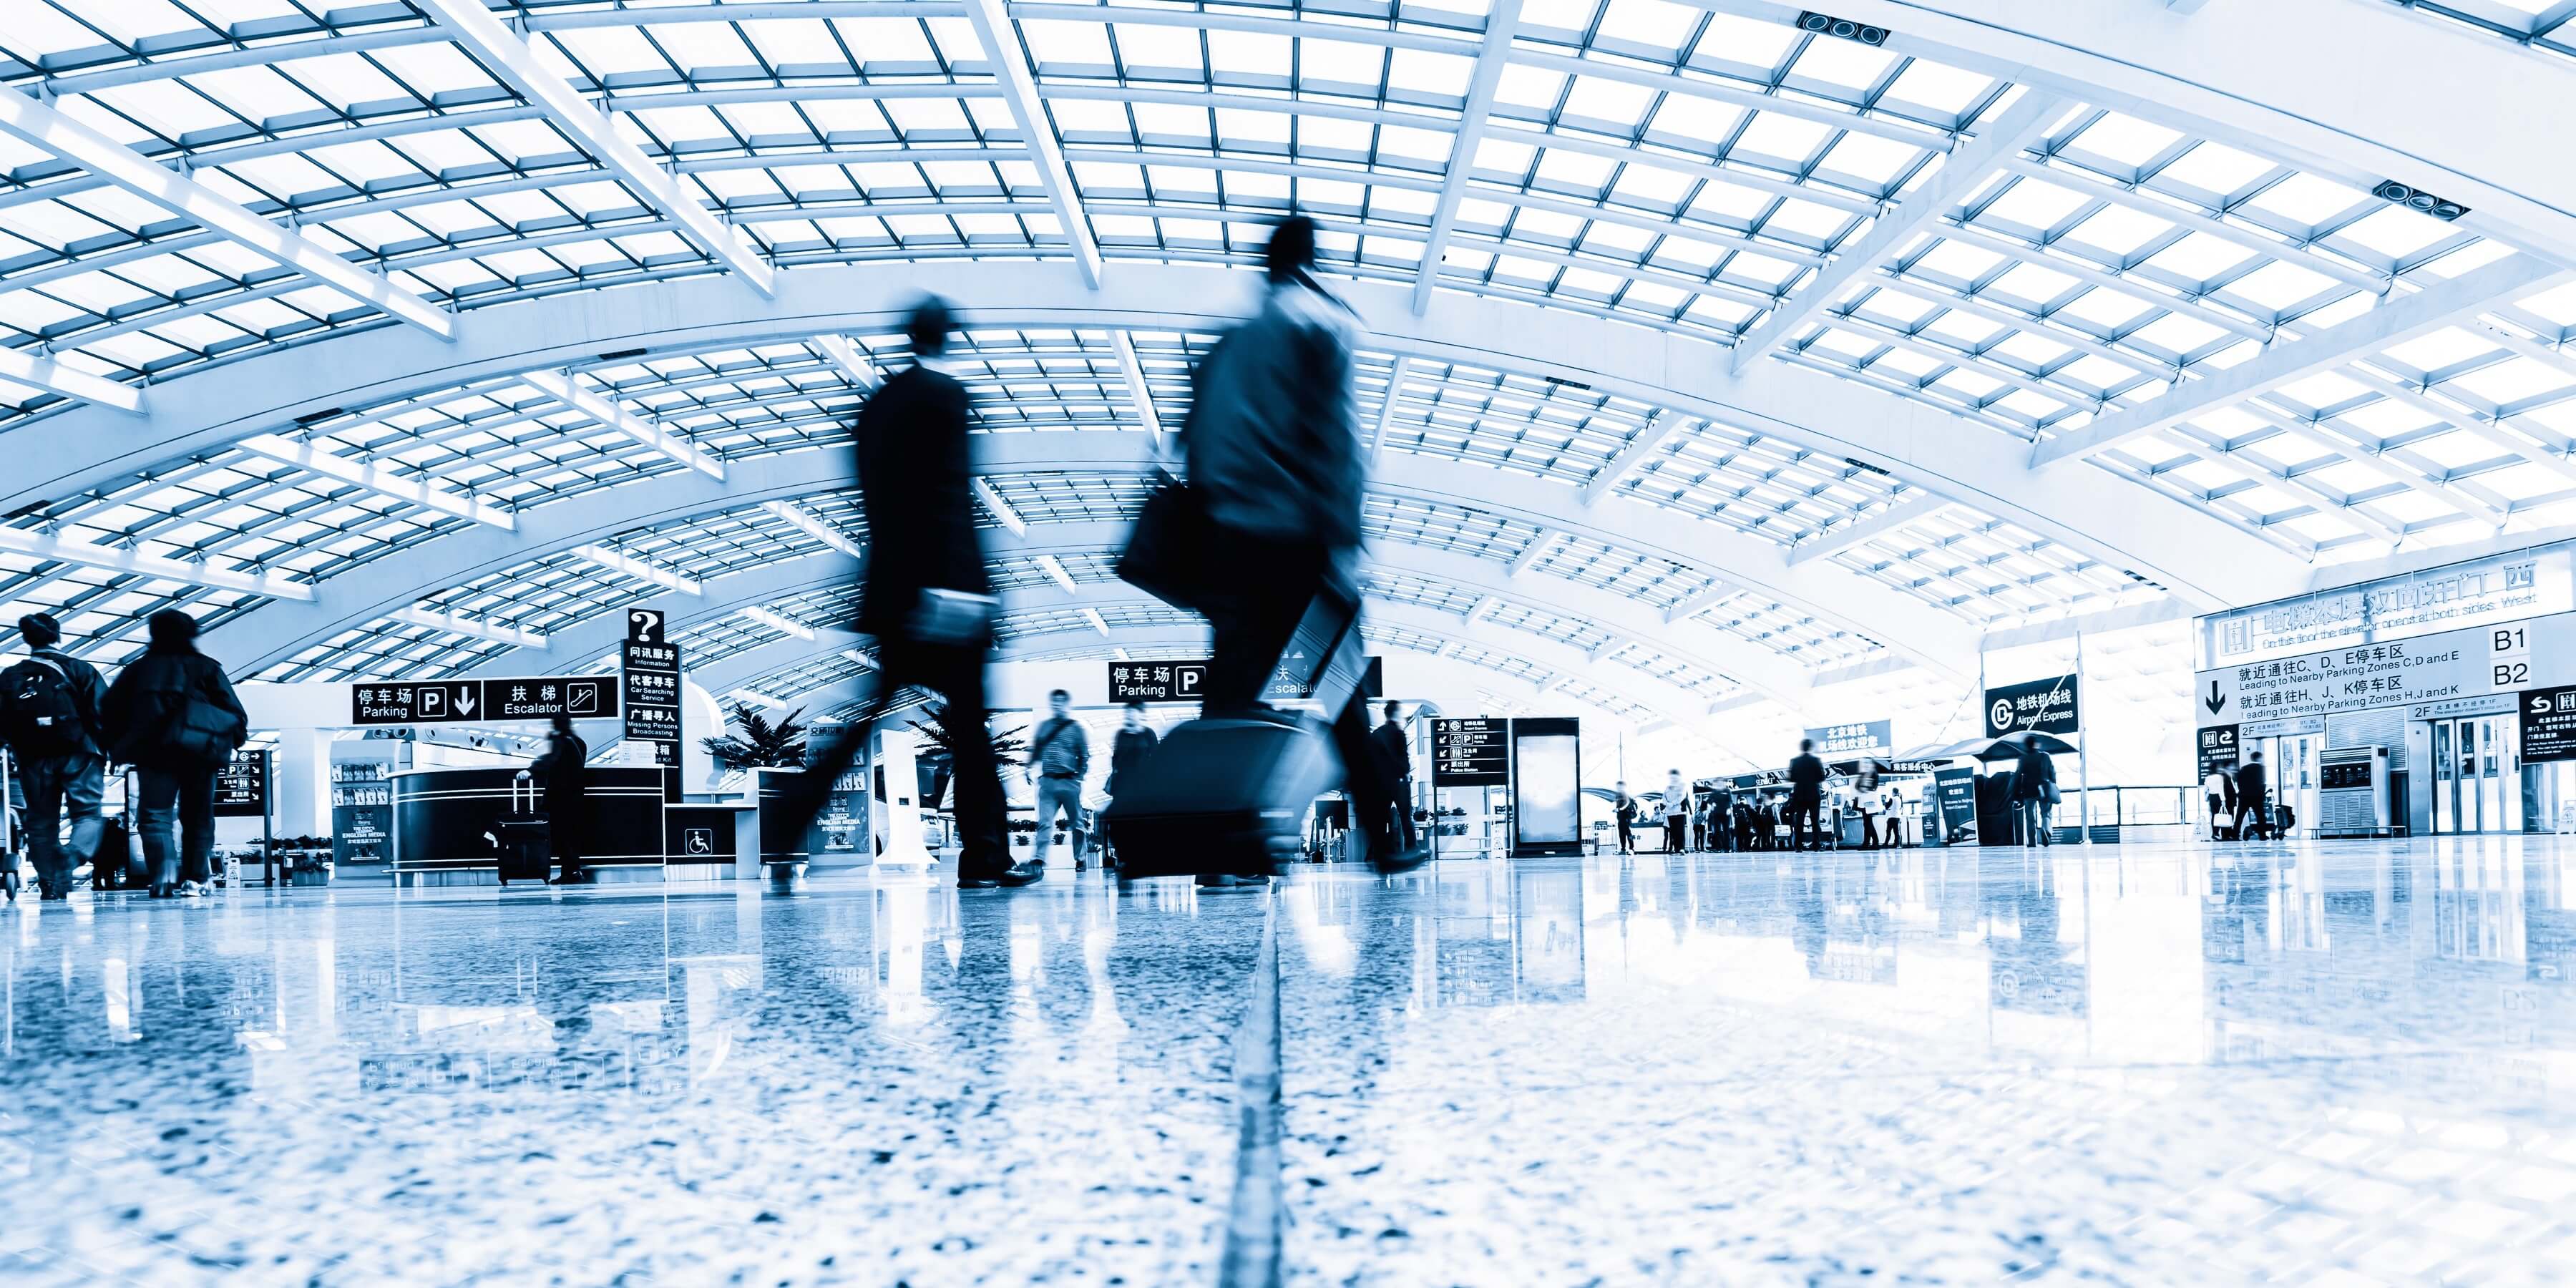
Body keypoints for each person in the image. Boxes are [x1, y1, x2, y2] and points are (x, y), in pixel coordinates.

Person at [1186, 215, 1419, 872]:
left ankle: (1217, 842)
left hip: (1232, 544)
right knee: (1340, 686)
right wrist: (1344, 541)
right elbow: (1336, 442)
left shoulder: (1229, 343)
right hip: (1297, 539)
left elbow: (1195, 442)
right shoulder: (1318, 327)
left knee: (1230, 694)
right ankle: (1384, 840)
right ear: (1311, 261)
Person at [791, 296, 1039, 889]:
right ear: (946, 337)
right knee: (972, 731)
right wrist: (968, 588)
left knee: (872, 713)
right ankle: (984, 858)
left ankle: (789, 820)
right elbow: (950, 499)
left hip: (892, 592)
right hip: (945, 593)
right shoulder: (945, 398)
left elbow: (874, 502)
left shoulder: (875, 407)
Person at [99, 610, 246, 899]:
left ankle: (163, 874)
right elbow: (233, 711)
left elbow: (109, 711)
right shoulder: (206, 668)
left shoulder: (137, 671)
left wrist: (117, 748)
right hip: (201, 752)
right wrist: (233, 740)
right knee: (198, 816)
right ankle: (196, 879)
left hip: (154, 754)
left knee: (155, 816)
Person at [0, 613, 107, 901]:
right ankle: (71, 856)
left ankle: (50, 884)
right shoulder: (80, 669)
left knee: (41, 821)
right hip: (81, 753)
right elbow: (104, 713)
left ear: (26, 640)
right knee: (87, 813)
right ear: (58, 635)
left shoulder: (10, 677)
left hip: (33, 757)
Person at [1030, 688, 1091, 869]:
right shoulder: (1044, 727)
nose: (1057, 705)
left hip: (1069, 782)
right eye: (1054, 701)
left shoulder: (1076, 728)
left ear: (1066, 704)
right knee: (1044, 822)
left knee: (1077, 823)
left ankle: (1080, 858)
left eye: (1061, 702)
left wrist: (1079, 777)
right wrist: (1028, 767)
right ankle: (1039, 859)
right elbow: (1037, 750)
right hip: (1048, 783)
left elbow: (1084, 755)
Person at [535, 715, 590, 884]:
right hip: (575, 797)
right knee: (571, 835)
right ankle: (571, 871)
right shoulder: (579, 742)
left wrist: (531, 769)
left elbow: (552, 759)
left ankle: (570, 872)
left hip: (560, 798)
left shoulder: (560, 740)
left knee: (561, 836)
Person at [1103, 701, 1158, 869]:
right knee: (1121, 823)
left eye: (1133, 712)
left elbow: (1157, 758)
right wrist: (1115, 773)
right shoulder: (1121, 734)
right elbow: (1115, 757)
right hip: (1122, 785)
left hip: (1143, 786)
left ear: (1141, 714)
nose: (1129, 716)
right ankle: (1123, 858)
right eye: (1127, 713)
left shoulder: (1148, 734)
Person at [1372, 703, 1416, 850]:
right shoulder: (1398, 733)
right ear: (1396, 713)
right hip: (1399, 782)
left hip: (1381, 784)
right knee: (1406, 818)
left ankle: (1379, 851)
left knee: (1381, 819)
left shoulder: (1377, 734)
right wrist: (1406, 773)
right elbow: (1404, 757)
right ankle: (1412, 849)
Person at [2009, 732, 2057, 847]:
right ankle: (2046, 830)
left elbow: (2017, 776)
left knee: (2030, 817)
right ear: (2035, 744)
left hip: (2029, 791)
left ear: (2026, 745)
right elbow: (2052, 772)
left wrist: (2014, 793)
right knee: (2046, 813)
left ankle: (2032, 842)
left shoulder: (2023, 759)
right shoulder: (2045, 756)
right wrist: (2053, 784)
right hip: (2044, 789)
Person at [1787, 739, 1827, 852]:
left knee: (1799, 821)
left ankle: (1798, 846)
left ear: (1801, 748)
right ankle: (1816, 845)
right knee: (1815, 821)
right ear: (1810, 748)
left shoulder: (1794, 761)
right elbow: (1822, 777)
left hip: (1799, 795)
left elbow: (1791, 778)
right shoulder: (1816, 760)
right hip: (1814, 795)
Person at [2236, 750, 2269, 841]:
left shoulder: (2244, 768)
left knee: (2240, 816)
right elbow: (2262, 782)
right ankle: (2262, 835)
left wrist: (2242, 791)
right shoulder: (2262, 768)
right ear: (2259, 758)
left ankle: (2235, 834)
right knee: (2260, 816)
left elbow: (2239, 781)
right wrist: (2262, 793)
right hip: (2257, 797)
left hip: (2244, 796)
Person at [1662, 769, 1690, 852]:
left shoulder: (1682, 785)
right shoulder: (1667, 787)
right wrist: (1666, 803)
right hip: (1670, 813)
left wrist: (1672, 804)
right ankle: (1676, 849)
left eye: (1674, 776)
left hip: (1680, 812)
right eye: (1671, 776)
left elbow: (1682, 796)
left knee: (1680, 831)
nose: (1672, 778)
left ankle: (1682, 848)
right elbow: (1663, 797)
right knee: (1673, 832)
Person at [1613, 781, 1636, 854]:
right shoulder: (1618, 795)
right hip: (1620, 818)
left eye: (1620, 786)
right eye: (1617, 786)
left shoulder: (1625, 794)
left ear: (1623, 786)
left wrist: (1619, 809)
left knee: (1628, 833)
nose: (1618, 787)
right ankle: (1623, 849)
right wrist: (1617, 810)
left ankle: (1632, 849)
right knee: (1622, 835)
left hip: (1626, 818)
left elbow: (1627, 803)